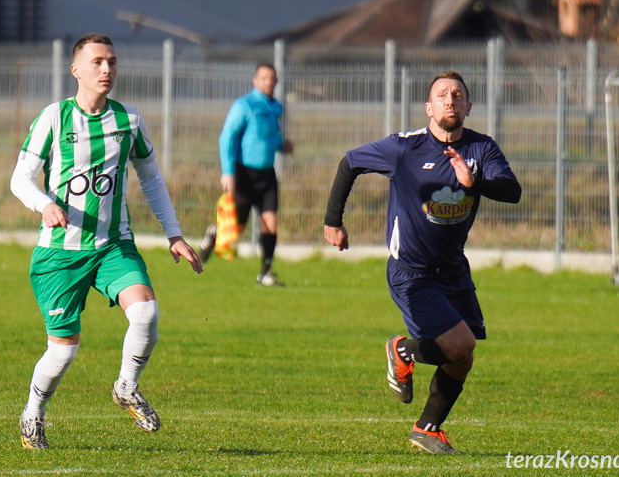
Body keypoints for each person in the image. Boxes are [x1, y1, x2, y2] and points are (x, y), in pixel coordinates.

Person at [10, 33, 203, 450]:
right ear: (76, 69)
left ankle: (126, 387)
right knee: (62, 354)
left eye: (112, 62)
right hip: (60, 254)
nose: (106, 70)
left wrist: (174, 234)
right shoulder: (54, 118)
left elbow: (151, 178)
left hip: (113, 245)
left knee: (147, 312)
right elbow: (19, 178)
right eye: (97, 62)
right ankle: (32, 416)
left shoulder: (128, 120)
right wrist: (44, 205)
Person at [323, 70, 521, 454]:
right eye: (443, 95)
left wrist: (473, 183)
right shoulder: (404, 148)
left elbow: (512, 191)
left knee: (463, 358)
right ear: (429, 108)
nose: (451, 100)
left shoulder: (482, 149)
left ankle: (426, 428)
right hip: (411, 272)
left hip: (453, 269)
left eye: (458, 95)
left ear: (468, 106)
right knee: (459, 343)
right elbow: (350, 163)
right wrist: (334, 222)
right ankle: (403, 350)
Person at [198, 63, 293, 287]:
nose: (268, 82)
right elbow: (227, 138)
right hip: (243, 175)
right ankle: (214, 233)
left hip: (267, 175)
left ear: (276, 82)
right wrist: (228, 172)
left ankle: (265, 273)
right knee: (236, 227)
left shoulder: (276, 107)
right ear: (255, 81)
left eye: (272, 78)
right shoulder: (244, 105)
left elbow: (268, 137)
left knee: (271, 222)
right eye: (264, 78)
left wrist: (282, 145)